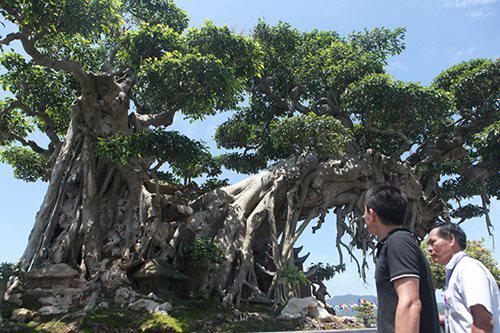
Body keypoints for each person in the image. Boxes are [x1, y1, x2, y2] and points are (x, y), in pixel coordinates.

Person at [363, 184, 440, 333]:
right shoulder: (396, 242)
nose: (363, 217)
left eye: (364, 212)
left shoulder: (398, 241)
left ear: (372, 214)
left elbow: (410, 302)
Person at [427, 222, 500, 333]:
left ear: (451, 239)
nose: (429, 249)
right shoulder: (456, 271)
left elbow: (483, 321)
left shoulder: (468, 268)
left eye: (433, 242)